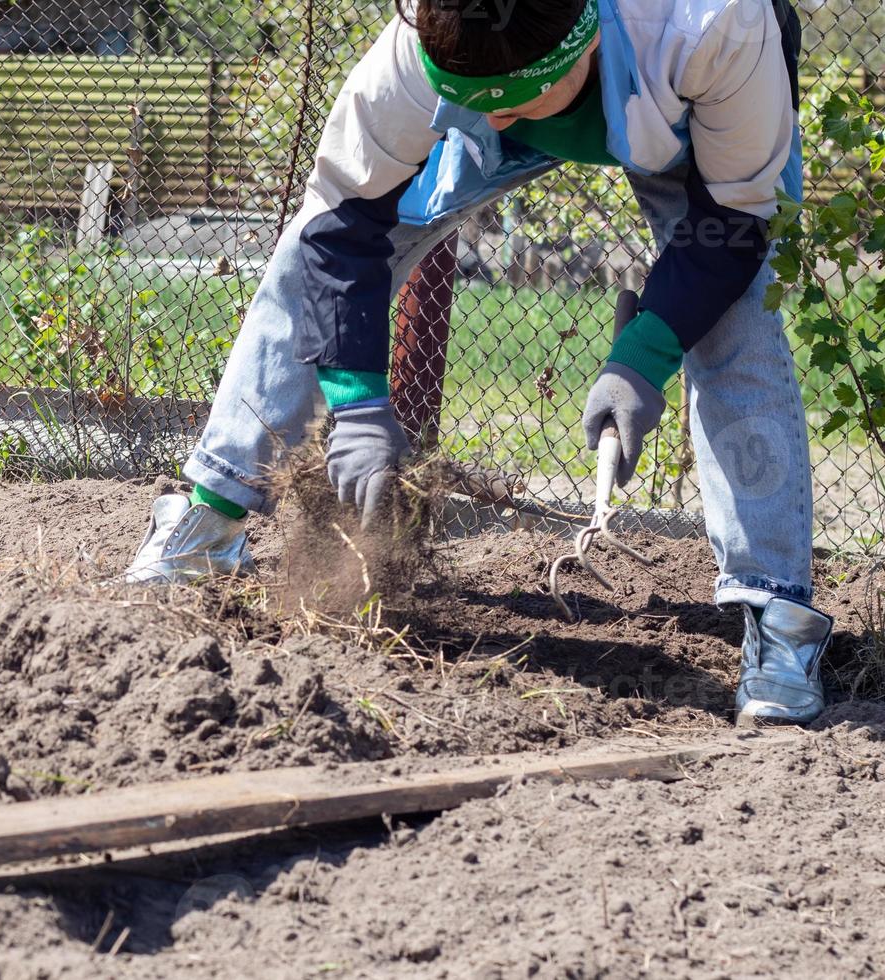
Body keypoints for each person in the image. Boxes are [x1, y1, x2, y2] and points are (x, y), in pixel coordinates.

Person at [123, 0, 834, 726]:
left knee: (738, 320)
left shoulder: (715, 27)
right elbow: (342, 227)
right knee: (299, 257)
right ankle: (205, 525)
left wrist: (643, 356)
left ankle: (778, 616)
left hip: (687, 114)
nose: (497, 121)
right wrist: (357, 400)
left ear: (580, 42)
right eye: (475, 100)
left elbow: (735, 221)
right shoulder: (418, 55)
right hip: (515, 83)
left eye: (516, 100)